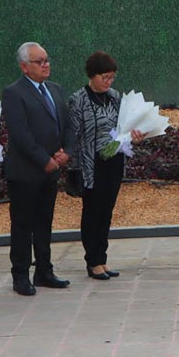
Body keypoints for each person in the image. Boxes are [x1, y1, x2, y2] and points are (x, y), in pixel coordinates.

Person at [2, 42, 75, 296]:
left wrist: (66, 151)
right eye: (39, 61)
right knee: (22, 224)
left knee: (44, 222)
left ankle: (44, 269)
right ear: (24, 67)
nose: (46, 65)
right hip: (25, 171)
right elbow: (20, 134)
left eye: (46, 59)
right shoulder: (14, 93)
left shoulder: (55, 89)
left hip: (52, 169)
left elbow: (66, 124)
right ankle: (20, 274)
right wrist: (45, 159)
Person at [68, 51, 143, 279]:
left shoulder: (115, 97)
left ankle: (102, 258)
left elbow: (125, 124)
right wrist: (75, 164)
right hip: (91, 164)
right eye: (105, 77)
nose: (109, 82)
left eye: (112, 77)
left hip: (114, 160)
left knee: (107, 211)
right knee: (92, 211)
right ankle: (92, 261)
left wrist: (135, 134)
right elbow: (73, 134)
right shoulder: (79, 99)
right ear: (93, 75)